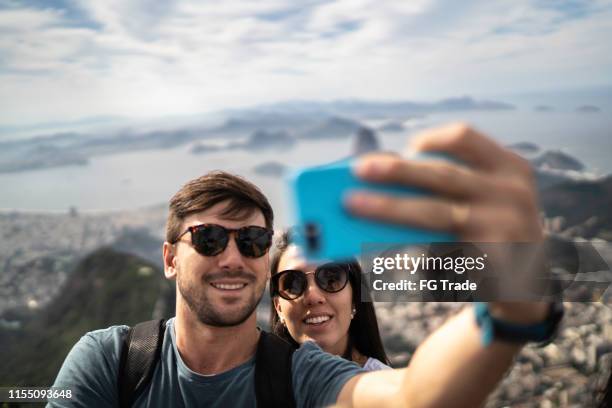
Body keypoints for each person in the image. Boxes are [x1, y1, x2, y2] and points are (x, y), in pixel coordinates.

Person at [49, 123, 557, 408]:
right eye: (207, 239)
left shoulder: (302, 375)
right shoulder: (111, 360)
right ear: (168, 258)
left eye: (252, 241)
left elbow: (414, 396)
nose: (232, 257)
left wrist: (518, 290)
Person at [269, 231, 390, 370]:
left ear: (354, 298)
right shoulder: (253, 387)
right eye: (293, 283)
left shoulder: (392, 389)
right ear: (278, 308)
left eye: (331, 279)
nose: (313, 297)